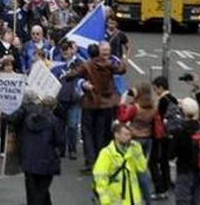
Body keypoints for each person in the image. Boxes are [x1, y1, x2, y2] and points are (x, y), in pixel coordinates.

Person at [65, 41, 127, 171]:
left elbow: (72, 75)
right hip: (105, 104)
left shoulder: (86, 65)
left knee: (87, 133)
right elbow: (121, 70)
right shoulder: (109, 64)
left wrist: (68, 75)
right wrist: (123, 60)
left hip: (90, 103)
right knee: (101, 133)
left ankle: (90, 160)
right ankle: (100, 159)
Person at [8, 94, 64, 205]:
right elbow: (59, 140)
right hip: (46, 160)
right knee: (41, 191)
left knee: (32, 191)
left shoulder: (29, 119)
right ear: (53, 108)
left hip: (29, 159)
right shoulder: (53, 121)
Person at [93, 122, 148, 205]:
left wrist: (138, 152)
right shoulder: (106, 153)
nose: (129, 137)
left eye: (129, 135)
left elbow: (142, 168)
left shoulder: (133, 150)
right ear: (116, 135)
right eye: (125, 134)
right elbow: (100, 179)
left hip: (133, 200)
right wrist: (105, 201)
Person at [169, 98, 200, 205]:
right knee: (196, 195)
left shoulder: (180, 131)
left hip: (184, 168)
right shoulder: (199, 127)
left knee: (182, 197)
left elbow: (171, 154)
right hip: (198, 168)